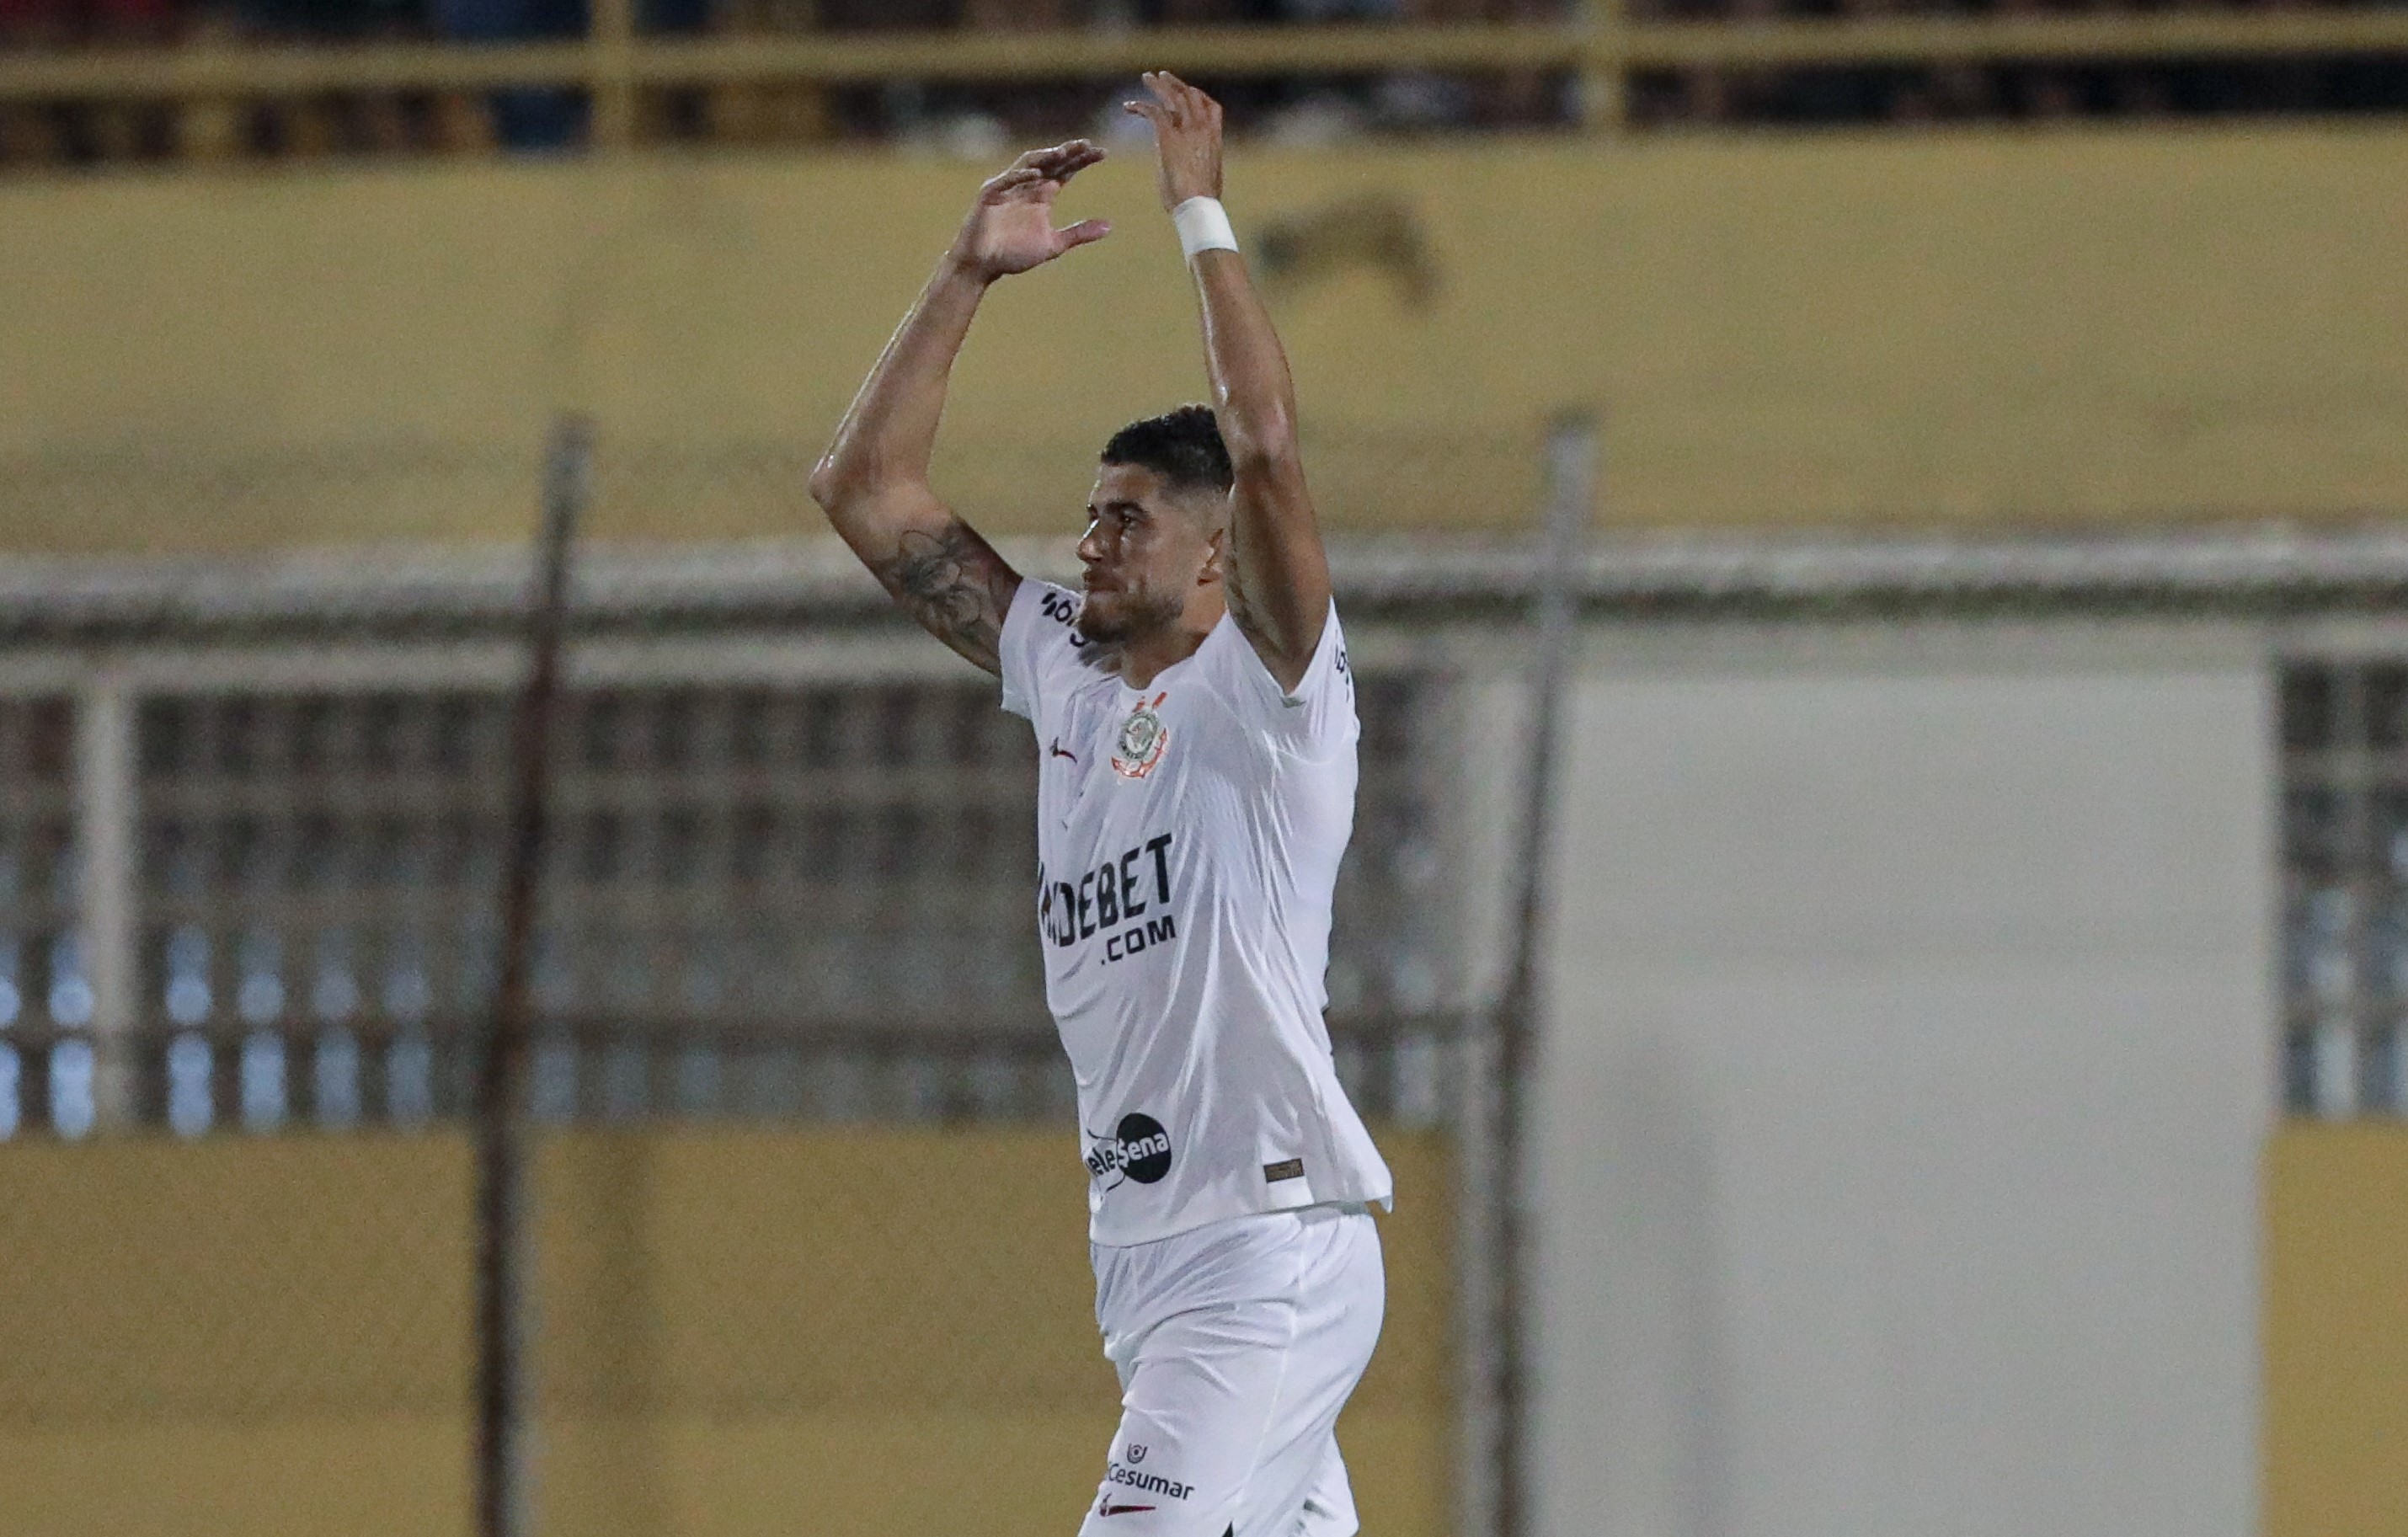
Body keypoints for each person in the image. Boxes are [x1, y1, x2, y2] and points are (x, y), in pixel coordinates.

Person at [810, 72, 1393, 1537]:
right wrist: (961, 276)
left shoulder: (1269, 697)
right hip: (1147, 1256)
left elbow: (1264, 446)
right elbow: (868, 489)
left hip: (1262, 1242)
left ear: (1215, 562)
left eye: (1128, 517)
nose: (1090, 540)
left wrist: (1198, 208)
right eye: (1089, 511)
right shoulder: (1072, 680)